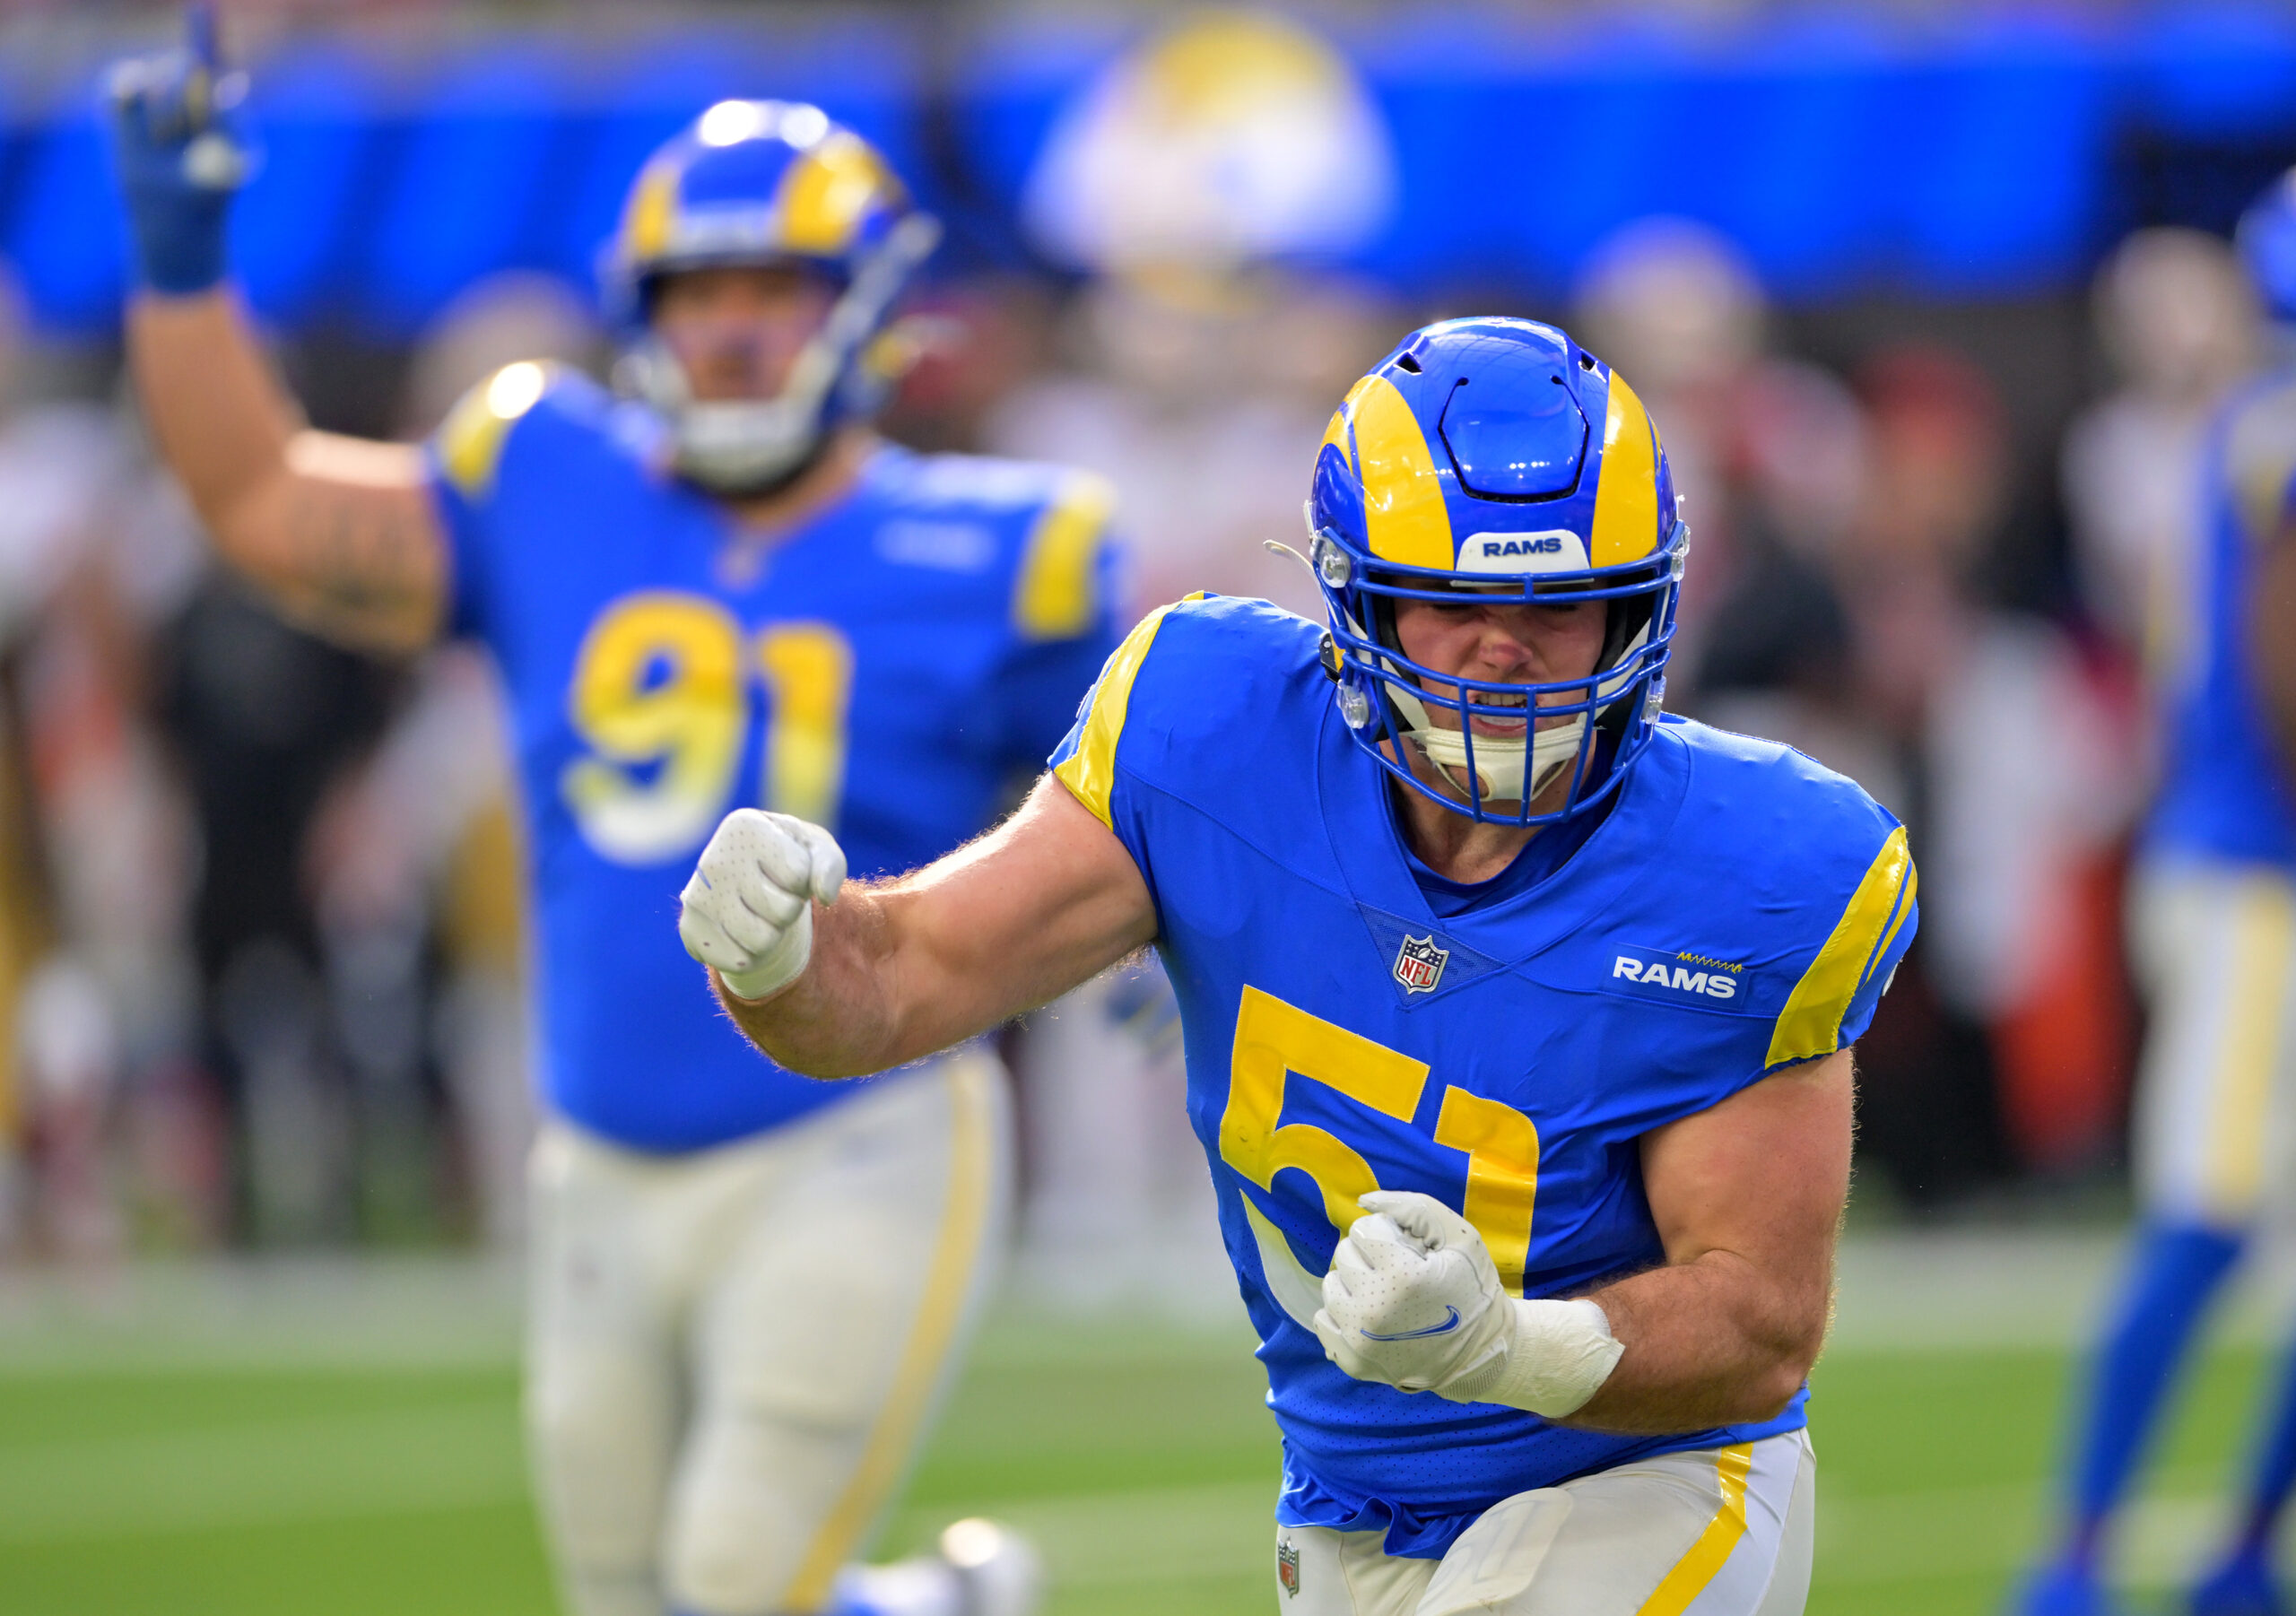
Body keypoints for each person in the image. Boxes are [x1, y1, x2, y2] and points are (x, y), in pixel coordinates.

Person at [105, 23, 1116, 1616]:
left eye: (771, 287)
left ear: (858, 303)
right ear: (641, 312)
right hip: (598, 1149)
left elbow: (1144, 793)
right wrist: (178, 264)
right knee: (625, 1597)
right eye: (698, 293)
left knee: (732, 1580)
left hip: (860, 1131)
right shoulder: (546, 475)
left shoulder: (1004, 548)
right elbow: (260, 504)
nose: (731, 332)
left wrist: (1130, 939)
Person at [682, 317, 1919, 1615]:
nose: (1509, 650)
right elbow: (898, 980)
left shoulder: (1752, 866)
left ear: (1642, 605)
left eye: (1560, 606)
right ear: (1359, 592)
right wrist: (782, 955)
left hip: (1643, 1489)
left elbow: (1759, 1327)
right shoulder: (1213, 731)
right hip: (1344, 1511)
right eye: (1458, 601)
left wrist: (1512, 1345)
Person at [2016, 171, 2296, 1616]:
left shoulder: (2247, 423)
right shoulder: (2276, 432)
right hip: (2258, 870)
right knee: (2207, 1209)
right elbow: (2282, 660)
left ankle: (2245, 1544)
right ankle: (2075, 1549)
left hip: (2245, 857)